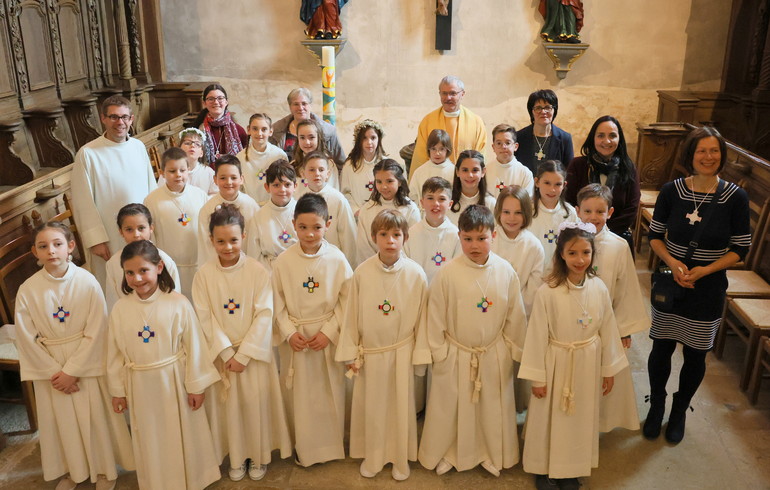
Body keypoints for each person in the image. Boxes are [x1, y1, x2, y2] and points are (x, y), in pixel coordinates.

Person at [645, 127, 750, 443]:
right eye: (701, 151)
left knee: (695, 354)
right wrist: (674, 263)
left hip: (708, 286)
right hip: (671, 282)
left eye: (714, 151)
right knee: (661, 348)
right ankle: (657, 406)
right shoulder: (672, 191)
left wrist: (705, 271)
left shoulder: (735, 197)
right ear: (690, 155)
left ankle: (679, 411)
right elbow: (654, 237)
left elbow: (740, 248)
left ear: (722, 155)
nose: (708, 157)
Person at [14, 221, 134, 490]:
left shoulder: (87, 281)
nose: (51, 251)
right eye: (43, 246)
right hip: (51, 369)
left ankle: (105, 471)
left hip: (84, 362)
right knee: (61, 423)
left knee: (95, 418)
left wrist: (73, 370)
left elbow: (97, 328)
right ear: (35, 252)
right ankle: (73, 471)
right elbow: (25, 336)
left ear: (70, 247)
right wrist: (55, 373)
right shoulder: (28, 289)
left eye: (57, 244)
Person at [418, 205, 527, 477]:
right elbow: (435, 316)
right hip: (456, 352)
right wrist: (440, 352)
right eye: (467, 239)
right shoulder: (447, 273)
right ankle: (448, 451)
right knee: (451, 407)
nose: (474, 245)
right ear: (459, 237)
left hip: (492, 351)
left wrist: (513, 351)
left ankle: (490, 452)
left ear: (494, 236)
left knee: (490, 406)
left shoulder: (505, 272)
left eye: (481, 238)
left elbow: (516, 315)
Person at [519, 222, 627, 489]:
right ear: (561, 255)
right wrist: (538, 378)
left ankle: (570, 470)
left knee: (578, 418)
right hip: (554, 361)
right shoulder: (547, 292)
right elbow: (536, 336)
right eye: (573, 253)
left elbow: (608, 329)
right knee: (548, 417)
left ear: (592, 254)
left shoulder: (599, 288)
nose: (580, 260)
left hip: (586, 362)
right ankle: (542, 469)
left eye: (586, 253)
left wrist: (608, 368)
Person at [107, 240, 221, 489]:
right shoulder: (120, 309)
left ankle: (191, 479)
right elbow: (114, 354)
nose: (137, 278)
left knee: (180, 434)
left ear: (159, 268)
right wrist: (117, 391)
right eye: (129, 273)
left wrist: (196, 386)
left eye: (143, 270)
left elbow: (195, 347)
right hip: (140, 384)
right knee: (151, 438)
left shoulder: (178, 302)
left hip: (174, 382)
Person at [192, 205, 292, 482]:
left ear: (244, 237)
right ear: (210, 240)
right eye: (220, 241)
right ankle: (236, 457)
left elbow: (265, 314)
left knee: (254, 404)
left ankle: (258, 455)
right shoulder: (203, 275)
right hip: (223, 356)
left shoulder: (258, 272)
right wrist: (226, 352)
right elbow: (204, 317)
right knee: (230, 410)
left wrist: (244, 354)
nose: (227, 247)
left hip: (252, 356)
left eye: (233, 240)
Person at [337, 209, 430, 480]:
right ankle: (374, 456)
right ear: (374, 237)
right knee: (374, 407)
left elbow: (423, 319)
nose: (390, 240)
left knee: (401, 407)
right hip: (372, 354)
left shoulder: (416, 274)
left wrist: (419, 359)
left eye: (396, 235)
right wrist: (351, 351)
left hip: (402, 350)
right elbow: (351, 314)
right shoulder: (362, 273)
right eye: (384, 234)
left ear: (405, 237)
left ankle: (400, 458)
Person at [272, 193, 353, 466]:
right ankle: (304, 448)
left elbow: (348, 301)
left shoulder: (338, 260)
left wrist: (329, 332)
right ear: (293, 224)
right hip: (296, 339)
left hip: (325, 337)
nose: (309, 234)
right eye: (303, 227)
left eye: (317, 227)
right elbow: (276, 303)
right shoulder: (283, 262)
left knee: (330, 392)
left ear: (327, 224)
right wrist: (288, 332)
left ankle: (331, 445)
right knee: (301, 397)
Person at [576, 184, 648, 432]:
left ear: (610, 212)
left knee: (604, 375)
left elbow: (626, 288)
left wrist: (624, 329)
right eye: (587, 211)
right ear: (577, 211)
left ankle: (599, 422)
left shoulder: (618, 246)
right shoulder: (570, 241)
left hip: (605, 324)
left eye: (600, 211)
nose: (593, 217)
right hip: (574, 324)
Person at [71, 95, 157, 288]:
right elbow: (82, 202)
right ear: (103, 119)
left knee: (144, 280)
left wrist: (152, 226)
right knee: (113, 284)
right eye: (114, 117)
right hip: (109, 236)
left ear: (131, 119)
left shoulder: (138, 147)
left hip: (141, 232)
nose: (120, 122)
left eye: (125, 117)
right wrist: (96, 239)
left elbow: (152, 189)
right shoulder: (88, 154)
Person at [566, 116, 641, 250]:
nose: (606, 141)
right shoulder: (578, 165)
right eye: (601, 136)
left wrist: (604, 235)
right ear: (593, 138)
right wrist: (587, 231)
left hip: (616, 238)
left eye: (612, 135)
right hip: (581, 237)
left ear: (619, 139)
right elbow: (569, 202)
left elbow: (632, 209)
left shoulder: (628, 168)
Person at [143, 147, 210, 298]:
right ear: (162, 173)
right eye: (172, 171)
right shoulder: (152, 200)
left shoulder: (199, 195)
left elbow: (207, 228)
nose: (178, 175)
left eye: (182, 170)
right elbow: (150, 236)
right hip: (169, 265)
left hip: (198, 262)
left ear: (188, 171)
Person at [105, 203, 181, 310]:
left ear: (151, 228)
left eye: (141, 228)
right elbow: (113, 301)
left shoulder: (164, 260)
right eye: (129, 229)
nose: (136, 234)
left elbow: (175, 299)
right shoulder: (113, 263)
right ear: (121, 232)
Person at [410, 76, 486, 178]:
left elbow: (480, 157)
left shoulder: (476, 122)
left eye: (453, 93)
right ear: (439, 94)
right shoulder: (428, 121)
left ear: (462, 94)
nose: (448, 98)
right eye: (444, 93)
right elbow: (420, 158)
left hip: (466, 181)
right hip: (434, 182)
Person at [197, 155, 260, 267]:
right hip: (219, 267)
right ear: (215, 180)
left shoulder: (251, 206)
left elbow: (255, 241)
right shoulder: (207, 210)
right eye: (223, 178)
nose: (228, 182)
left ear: (241, 179)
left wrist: (251, 265)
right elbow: (205, 246)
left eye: (233, 177)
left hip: (246, 265)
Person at [356, 159, 420, 266]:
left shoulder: (410, 209)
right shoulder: (367, 209)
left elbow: (414, 243)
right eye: (379, 182)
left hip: (403, 267)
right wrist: (378, 264)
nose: (384, 186)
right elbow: (363, 245)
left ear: (399, 182)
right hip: (374, 267)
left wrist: (396, 264)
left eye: (389, 181)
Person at [492, 185, 544, 317]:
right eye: (506, 212)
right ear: (499, 211)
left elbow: (532, 292)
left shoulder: (534, 247)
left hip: (519, 315)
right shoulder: (489, 239)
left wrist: (513, 311)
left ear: (526, 213)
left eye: (518, 213)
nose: (511, 218)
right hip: (488, 308)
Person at [295, 151, 356, 262]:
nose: (317, 174)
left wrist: (348, 264)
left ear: (328, 174)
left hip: (333, 259)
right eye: (312, 170)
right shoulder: (298, 199)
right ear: (303, 173)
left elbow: (348, 237)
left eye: (321, 170)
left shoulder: (338, 200)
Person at [271, 88, 346, 170]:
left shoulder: (328, 131)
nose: (300, 108)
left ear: (310, 105)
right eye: (296, 104)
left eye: (304, 103)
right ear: (290, 107)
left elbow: (340, 164)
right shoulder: (276, 130)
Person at [404, 177, 461, 284]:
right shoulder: (411, 234)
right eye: (430, 198)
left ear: (450, 204)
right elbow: (405, 269)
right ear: (421, 203)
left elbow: (457, 272)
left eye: (442, 199)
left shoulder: (456, 236)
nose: (436, 203)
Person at [246, 160, 298, 271]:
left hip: (298, 269)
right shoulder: (259, 216)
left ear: (295, 186)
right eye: (276, 185)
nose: (282, 190)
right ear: (267, 187)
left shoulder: (302, 211)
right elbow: (254, 256)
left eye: (287, 184)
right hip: (269, 272)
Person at [530, 160, 579, 276]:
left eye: (557, 184)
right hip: (532, 273)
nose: (552, 189)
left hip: (560, 274)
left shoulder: (570, 213)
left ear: (564, 185)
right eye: (547, 183)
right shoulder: (526, 210)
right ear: (537, 182)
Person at [515, 89, 574, 174]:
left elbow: (569, 171)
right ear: (531, 112)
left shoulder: (565, 138)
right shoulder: (519, 137)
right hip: (525, 186)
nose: (543, 112)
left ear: (554, 110)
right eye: (538, 108)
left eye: (547, 107)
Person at [236, 113, 289, 206]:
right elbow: (239, 188)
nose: (259, 133)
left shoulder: (279, 156)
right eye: (255, 129)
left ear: (271, 131)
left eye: (264, 129)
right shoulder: (240, 157)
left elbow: (285, 184)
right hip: (249, 206)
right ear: (248, 130)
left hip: (274, 205)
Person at [341, 119, 388, 217]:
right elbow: (345, 192)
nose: (369, 142)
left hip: (381, 214)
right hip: (357, 215)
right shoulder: (349, 165)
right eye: (364, 138)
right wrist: (356, 210)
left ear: (379, 139)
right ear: (359, 140)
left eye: (373, 138)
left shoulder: (386, 164)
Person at [191, 84, 248, 163]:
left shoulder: (239, 131)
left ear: (226, 102)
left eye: (220, 98)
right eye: (211, 99)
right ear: (204, 103)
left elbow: (246, 158)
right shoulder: (197, 131)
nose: (216, 102)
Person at [159, 128, 217, 195]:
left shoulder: (209, 173)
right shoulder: (169, 170)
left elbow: (214, 195)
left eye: (197, 144)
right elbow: (161, 193)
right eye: (187, 143)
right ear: (180, 149)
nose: (192, 146)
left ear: (201, 153)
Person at [447, 150, 496, 226]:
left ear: (483, 172)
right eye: (465, 170)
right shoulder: (447, 202)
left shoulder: (491, 204)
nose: (470, 175)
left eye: (475, 170)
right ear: (457, 172)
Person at [292, 119, 340, 192]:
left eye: (311, 137)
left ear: (318, 138)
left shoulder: (329, 164)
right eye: (302, 137)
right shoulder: (293, 165)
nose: (307, 142)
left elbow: (333, 192)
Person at [487, 123, 534, 197]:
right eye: (499, 143)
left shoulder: (525, 174)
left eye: (508, 143)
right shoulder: (485, 171)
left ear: (515, 146)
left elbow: (526, 203)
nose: (503, 147)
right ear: (493, 147)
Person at [409, 129, 455, 205]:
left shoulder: (454, 171)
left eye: (441, 149)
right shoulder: (419, 172)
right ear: (428, 149)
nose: (437, 153)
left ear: (447, 150)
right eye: (433, 149)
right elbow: (413, 197)